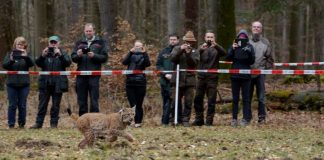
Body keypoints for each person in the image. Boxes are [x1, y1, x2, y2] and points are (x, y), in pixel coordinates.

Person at [30, 36, 71, 129]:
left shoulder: (63, 53)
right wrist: (42, 56)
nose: (53, 44)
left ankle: (53, 124)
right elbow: (38, 63)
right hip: (45, 83)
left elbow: (68, 63)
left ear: (58, 43)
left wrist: (60, 55)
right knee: (42, 105)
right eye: (51, 42)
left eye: (55, 42)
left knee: (56, 105)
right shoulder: (45, 52)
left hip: (58, 83)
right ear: (48, 43)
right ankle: (38, 123)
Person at [71, 23, 108, 116]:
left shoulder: (100, 42)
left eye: (90, 31)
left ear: (94, 31)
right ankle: (83, 121)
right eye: (87, 31)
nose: (88, 32)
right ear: (84, 31)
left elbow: (105, 58)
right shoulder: (79, 42)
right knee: (81, 99)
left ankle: (95, 120)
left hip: (94, 75)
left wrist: (94, 56)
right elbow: (73, 58)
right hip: (81, 75)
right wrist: (78, 55)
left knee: (94, 99)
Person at [192, 30, 226, 126]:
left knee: (211, 100)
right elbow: (194, 56)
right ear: (205, 38)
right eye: (208, 37)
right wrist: (201, 49)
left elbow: (224, 53)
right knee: (198, 98)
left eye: (211, 37)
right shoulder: (201, 47)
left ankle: (209, 121)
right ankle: (199, 119)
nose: (209, 39)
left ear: (214, 39)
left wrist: (216, 45)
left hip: (212, 78)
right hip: (201, 77)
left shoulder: (216, 48)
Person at [2, 37, 34, 129]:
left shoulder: (27, 55)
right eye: (18, 44)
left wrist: (26, 56)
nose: (19, 46)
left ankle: (21, 124)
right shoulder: (10, 54)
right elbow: (5, 65)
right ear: (15, 45)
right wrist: (11, 60)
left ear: (24, 46)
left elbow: (32, 64)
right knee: (12, 104)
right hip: (11, 84)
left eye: (21, 44)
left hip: (24, 84)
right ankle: (11, 124)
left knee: (22, 105)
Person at [170, 31, 199, 127]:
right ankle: (175, 119)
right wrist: (181, 51)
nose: (188, 43)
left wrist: (188, 54)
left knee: (188, 101)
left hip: (189, 80)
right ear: (184, 41)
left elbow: (194, 64)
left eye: (191, 41)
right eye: (187, 41)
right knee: (175, 101)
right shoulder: (177, 48)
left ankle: (186, 119)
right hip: (177, 79)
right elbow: (173, 59)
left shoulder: (195, 51)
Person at [226, 29, 255, 127]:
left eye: (244, 37)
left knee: (246, 98)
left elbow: (252, 61)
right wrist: (232, 49)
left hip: (246, 76)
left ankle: (245, 118)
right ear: (237, 37)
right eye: (240, 37)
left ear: (246, 38)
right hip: (235, 75)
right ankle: (234, 118)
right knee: (235, 98)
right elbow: (228, 58)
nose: (241, 39)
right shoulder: (234, 46)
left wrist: (249, 52)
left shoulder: (250, 47)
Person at [249, 21, 274, 123]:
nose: (256, 28)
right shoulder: (246, 41)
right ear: (251, 28)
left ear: (261, 29)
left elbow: (269, 58)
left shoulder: (265, 42)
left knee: (261, 97)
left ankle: (262, 118)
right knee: (247, 97)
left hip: (260, 73)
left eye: (258, 27)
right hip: (247, 73)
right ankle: (247, 117)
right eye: (254, 27)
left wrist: (266, 70)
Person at [122, 40, 151, 128]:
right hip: (130, 82)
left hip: (141, 82)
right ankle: (132, 121)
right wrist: (130, 52)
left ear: (142, 47)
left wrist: (144, 53)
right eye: (136, 46)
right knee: (132, 103)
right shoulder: (130, 55)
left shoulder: (144, 55)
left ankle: (138, 122)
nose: (137, 48)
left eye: (139, 46)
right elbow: (124, 62)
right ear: (133, 47)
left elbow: (148, 64)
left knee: (139, 103)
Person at [156, 34, 179, 126]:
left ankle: (174, 120)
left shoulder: (180, 51)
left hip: (176, 80)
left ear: (178, 40)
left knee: (175, 102)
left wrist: (173, 75)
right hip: (164, 81)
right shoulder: (163, 51)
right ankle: (165, 121)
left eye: (174, 39)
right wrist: (165, 74)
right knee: (166, 101)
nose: (172, 41)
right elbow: (158, 65)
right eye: (171, 39)